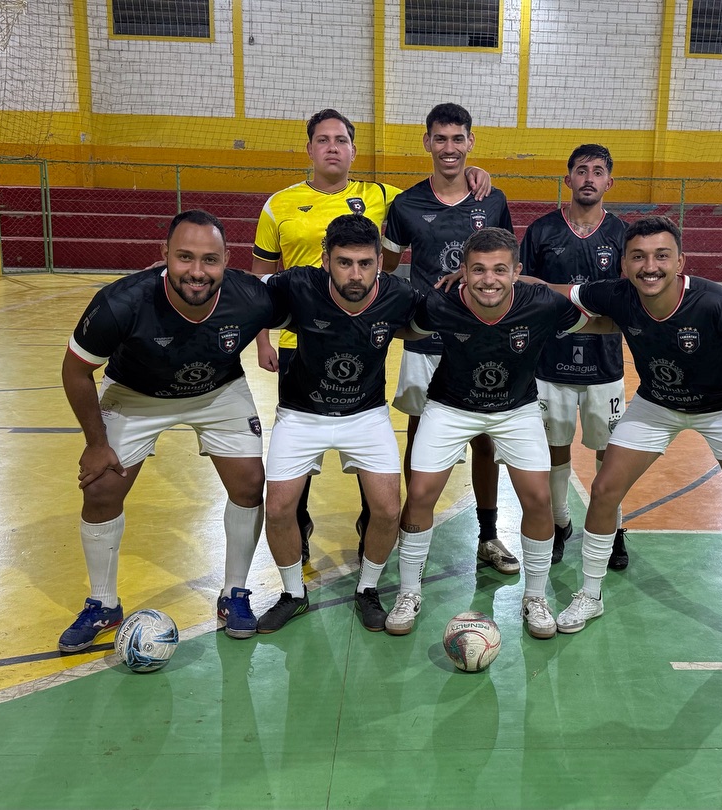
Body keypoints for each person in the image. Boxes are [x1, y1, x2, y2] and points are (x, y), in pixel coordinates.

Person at [538, 215, 722, 671]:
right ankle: (590, 594)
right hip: (656, 404)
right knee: (603, 491)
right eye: (638, 257)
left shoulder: (717, 303)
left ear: (681, 262)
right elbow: (553, 289)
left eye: (662, 256)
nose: (650, 266)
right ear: (624, 264)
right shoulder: (618, 294)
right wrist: (496, 274)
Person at [250, 109, 491, 564]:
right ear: (310, 149)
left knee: (367, 443)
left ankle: (371, 528)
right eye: (323, 140)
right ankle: (297, 530)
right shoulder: (278, 204)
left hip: (363, 342)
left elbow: (438, 195)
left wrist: (473, 173)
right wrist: (263, 338)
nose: (333, 147)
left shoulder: (381, 196)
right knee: (301, 450)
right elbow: (261, 277)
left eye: (341, 139)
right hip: (298, 342)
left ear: (353, 150)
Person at [57, 209, 287, 650]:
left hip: (217, 391)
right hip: (135, 393)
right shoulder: (121, 302)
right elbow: (75, 371)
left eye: (210, 260)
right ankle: (103, 604)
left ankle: (234, 594)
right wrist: (95, 443)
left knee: (249, 483)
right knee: (101, 487)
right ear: (163, 255)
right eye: (184, 258)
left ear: (226, 260)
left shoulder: (251, 298)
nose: (197, 272)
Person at [384, 226, 615, 640]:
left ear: (517, 272)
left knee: (539, 497)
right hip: (450, 406)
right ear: (463, 272)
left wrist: (650, 331)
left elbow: (598, 323)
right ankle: (408, 592)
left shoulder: (540, 302)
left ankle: (536, 597)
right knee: (419, 494)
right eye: (478, 270)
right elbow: (406, 329)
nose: (488, 279)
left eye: (499, 270)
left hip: (516, 409)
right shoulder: (440, 303)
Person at [254, 214, 424, 633]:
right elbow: (243, 293)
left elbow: (433, 322)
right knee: (277, 509)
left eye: (366, 263)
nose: (356, 273)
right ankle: (293, 594)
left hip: (366, 414)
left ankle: (367, 589)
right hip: (300, 413)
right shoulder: (297, 285)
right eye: (345, 262)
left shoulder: (398, 295)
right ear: (325, 259)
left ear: (379, 263)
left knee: (387, 510)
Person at [382, 102, 517, 574]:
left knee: (485, 439)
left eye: (458, 139)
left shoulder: (491, 200)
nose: (449, 148)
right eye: (440, 138)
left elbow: (506, 269)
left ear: (470, 142)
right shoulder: (405, 205)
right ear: (427, 143)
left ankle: (489, 535)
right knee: (419, 434)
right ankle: (413, 528)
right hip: (425, 339)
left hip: (482, 338)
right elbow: (386, 269)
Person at [519, 144, 630, 569]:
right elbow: (522, 285)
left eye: (598, 171)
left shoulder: (622, 234)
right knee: (554, 447)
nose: (588, 178)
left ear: (608, 182)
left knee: (609, 453)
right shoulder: (543, 230)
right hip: (550, 363)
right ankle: (561, 521)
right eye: (580, 170)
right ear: (567, 180)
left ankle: (613, 526)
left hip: (605, 366)